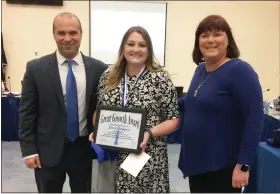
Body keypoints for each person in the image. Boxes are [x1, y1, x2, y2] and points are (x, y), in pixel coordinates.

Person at [18, 12, 107, 193]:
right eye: (61, 33)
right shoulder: (36, 69)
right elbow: (27, 113)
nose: (67, 38)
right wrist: (29, 150)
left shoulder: (99, 69)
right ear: (54, 35)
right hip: (47, 151)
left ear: (81, 34)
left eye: (73, 33)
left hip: (84, 149)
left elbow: (103, 108)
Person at [178, 15, 264, 193]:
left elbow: (254, 120)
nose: (210, 40)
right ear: (198, 42)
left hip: (222, 167)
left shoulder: (240, 71)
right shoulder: (201, 69)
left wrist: (244, 165)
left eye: (217, 34)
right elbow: (191, 102)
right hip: (197, 163)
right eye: (204, 35)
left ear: (228, 40)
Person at [89, 26, 180, 193]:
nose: (136, 49)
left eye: (142, 45)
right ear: (123, 47)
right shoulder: (108, 76)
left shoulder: (160, 79)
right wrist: (98, 130)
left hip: (147, 156)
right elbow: (98, 112)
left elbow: (174, 120)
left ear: (149, 50)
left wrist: (149, 133)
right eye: (131, 44)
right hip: (113, 156)